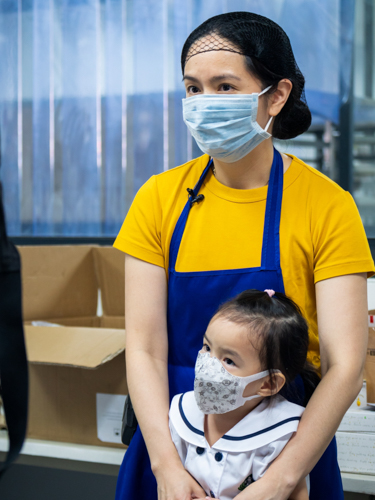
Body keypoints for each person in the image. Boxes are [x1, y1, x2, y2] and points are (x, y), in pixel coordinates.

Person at [113, 11, 375, 500]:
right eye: (193, 88)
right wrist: (166, 466)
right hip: (172, 447)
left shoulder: (327, 206)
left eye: (225, 87)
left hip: (287, 451)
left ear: (276, 95)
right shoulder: (159, 199)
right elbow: (145, 348)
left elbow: (346, 366)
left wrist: (280, 480)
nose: (204, 103)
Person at [169, 289, 311, 500]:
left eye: (229, 361)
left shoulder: (283, 436)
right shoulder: (182, 413)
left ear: (268, 383)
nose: (208, 365)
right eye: (207, 347)